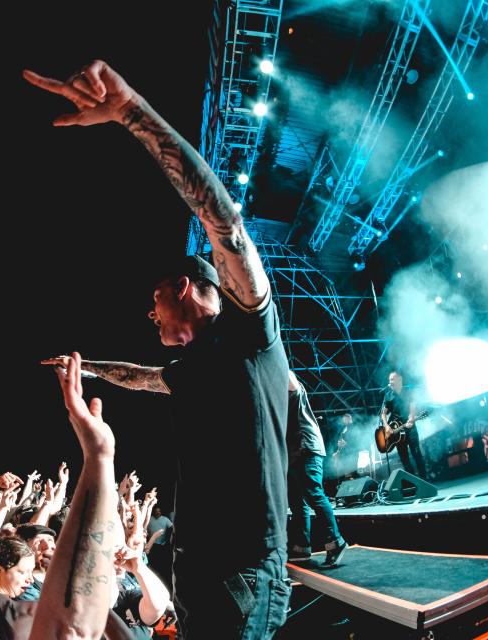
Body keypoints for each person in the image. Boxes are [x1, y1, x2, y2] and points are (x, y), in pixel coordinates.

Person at [28, 60, 291, 637]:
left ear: (184, 288)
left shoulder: (248, 330)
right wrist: (89, 368)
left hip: (244, 575)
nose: (150, 315)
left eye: (155, 301)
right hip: (199, 574)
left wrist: (131, 112)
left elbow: (224, 222)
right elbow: (143, 377)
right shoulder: (192, 368)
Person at [286, 372, 347, 566]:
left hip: (306, 447)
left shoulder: (290, 384)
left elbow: (289, 377)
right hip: (292, 452)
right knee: (296, 502)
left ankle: (336, 542)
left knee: (314, 494)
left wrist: (274, 358)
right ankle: (302, 547)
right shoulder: (275, 396)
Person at [381, 371, 428, 478]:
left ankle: (425, 480)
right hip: (396, 431)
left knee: (417, 454)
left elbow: (412, 406)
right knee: (404, 458)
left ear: (399, 379)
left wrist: (411, 417)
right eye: (389, 380)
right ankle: (414, 482)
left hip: (409, 428)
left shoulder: (408, 392)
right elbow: (383, 413)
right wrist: (386, 426)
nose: (390, 382)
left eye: (392, 379)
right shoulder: (388, 395)